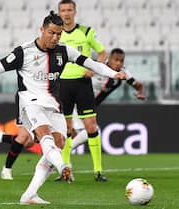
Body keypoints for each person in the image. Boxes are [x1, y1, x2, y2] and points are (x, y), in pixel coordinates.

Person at [0, 11, 125, 204]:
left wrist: (113, 74)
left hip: (53, 105)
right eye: (51, 33)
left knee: (58, 143)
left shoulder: (63, 51)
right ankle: (63, 167)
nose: (55, 38)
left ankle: (30, 194)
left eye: (58, 34)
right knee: (45, 137)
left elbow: (91, 63)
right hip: (30, 102)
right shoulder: (23, 52)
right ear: (42, 30)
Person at [58, 0, 109, 181]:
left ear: (75, 12)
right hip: (62, 84)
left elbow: (102, 53)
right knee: (66, 128)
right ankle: (65, 171)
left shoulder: (86, 32)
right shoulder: (56, 34)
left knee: (91, 126)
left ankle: (98, 171)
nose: (66, 13)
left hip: (82, 84)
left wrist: (94, 68)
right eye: (63, 10)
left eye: (69, 10)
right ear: (59, 12)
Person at [69, 48, 146, 153]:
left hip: (86, 108)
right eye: (116, 60)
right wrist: (83, 73)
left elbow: (138, 85)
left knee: (84, 133)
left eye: (121, 61)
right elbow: (75, 70)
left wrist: (141, 92)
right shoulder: (97, 65)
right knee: (90, 131)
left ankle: (62, 156)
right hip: (75, 103)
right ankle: (64, 153)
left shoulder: (123, 73)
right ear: (109, 58)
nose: (118, 63)